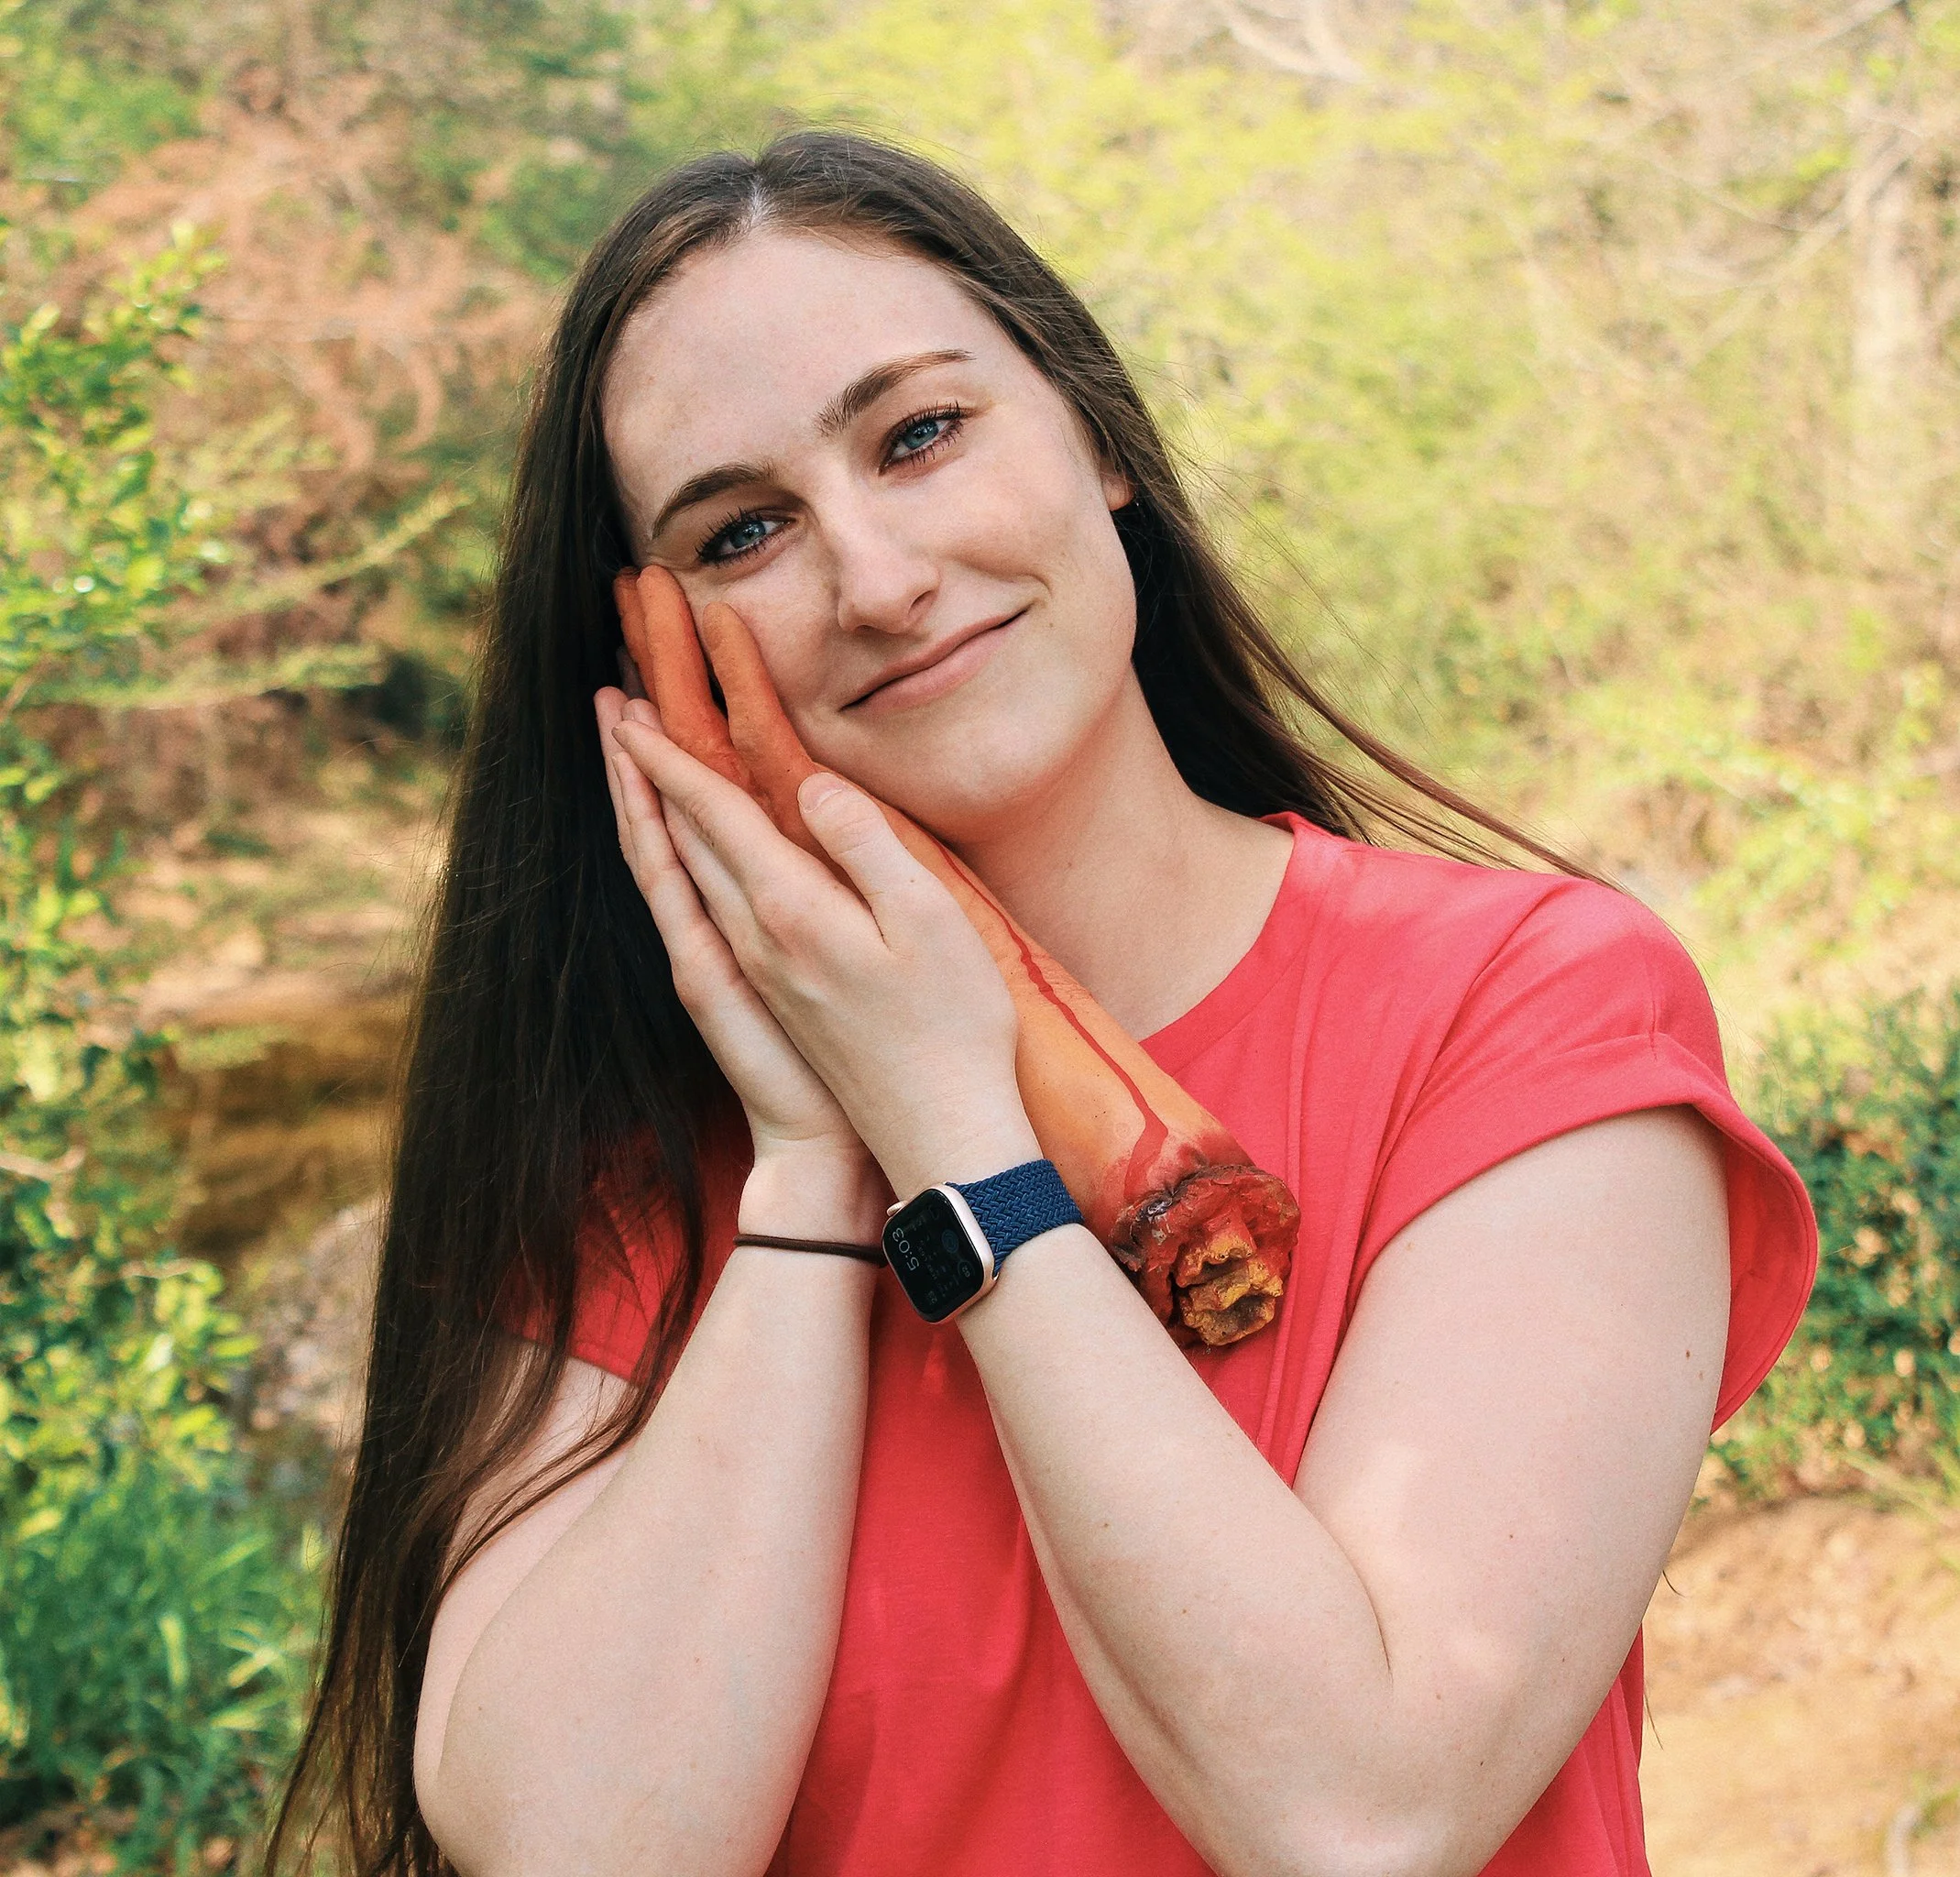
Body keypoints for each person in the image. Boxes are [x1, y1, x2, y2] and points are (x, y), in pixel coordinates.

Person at [272, 131, 1816, 1877]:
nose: (877, 579)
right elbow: (582, 1851)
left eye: (919, 434)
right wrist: (810, 1166)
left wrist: (955, 1132)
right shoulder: (630, 1165)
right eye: (743, 531)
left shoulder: (1522, 1008)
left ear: (1095, 435)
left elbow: (1358, 1814)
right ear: (658, 659)